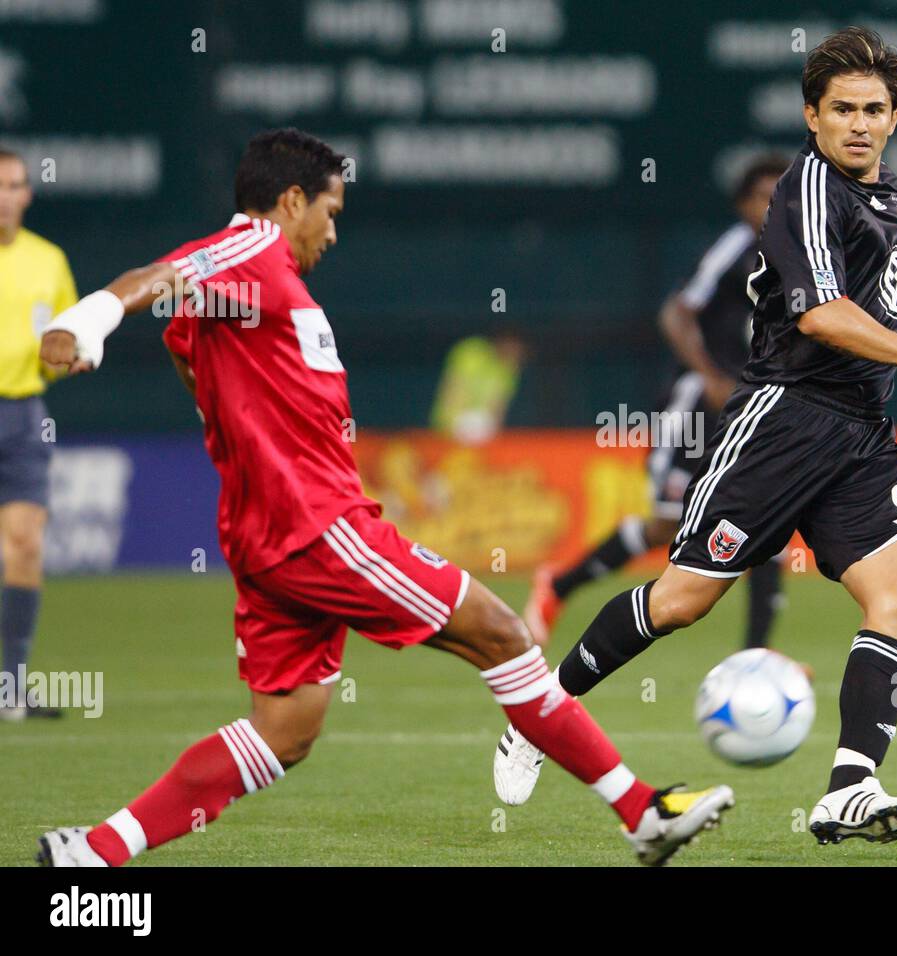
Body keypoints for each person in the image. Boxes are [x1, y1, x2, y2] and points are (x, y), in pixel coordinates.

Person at [35, 128, 732, 867]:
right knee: (503, 635)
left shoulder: (254, 294)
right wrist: (86, 323)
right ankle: (641, 811)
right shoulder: (250, 256)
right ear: (292, 200)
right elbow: (162, 276)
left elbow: (195, 339)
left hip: (268, 537)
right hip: (316, 526)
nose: (333, 233)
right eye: (329, 212)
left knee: (284, 731)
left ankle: (97, 852)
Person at [496, 28, 897, 848]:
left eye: (874, 110)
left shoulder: (885, 192)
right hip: (784, 421)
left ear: (894, 118)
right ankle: (540, 713)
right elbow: (820, 314)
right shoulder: (809, 189)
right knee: (683, 600)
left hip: (861, 433)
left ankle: (850, 789)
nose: (858, 124)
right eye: (841, 110)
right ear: (812, 115)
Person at [522, 154, 788, 652]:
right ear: (742, 204)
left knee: (769, 515)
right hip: (698, 404)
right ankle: (557, 586)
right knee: (668, 521)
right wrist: (709, 375)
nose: (773, 204)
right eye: (762, 195)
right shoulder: (735, 247)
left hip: (754, 409)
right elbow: (675, 312)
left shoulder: (796, 254)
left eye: (782, 193)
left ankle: (756, 656)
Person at [0, 148, 78, 722]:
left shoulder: (49, 260)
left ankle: (10, 685)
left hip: (23, 415)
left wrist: (67, 356)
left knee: (25, 543)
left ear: (28, 193)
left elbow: (65, 339)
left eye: (15, 185)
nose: (7, 196)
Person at [429, 328, 526, 443]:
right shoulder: (472, 351)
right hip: (448, 428)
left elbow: (498, 406)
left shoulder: (510, 367)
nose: (515, 355)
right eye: (513, 349)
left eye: (518, 353)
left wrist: (490, 431)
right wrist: (454, 423)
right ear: (502, 343)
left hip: (480, 432)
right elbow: (454, 389)